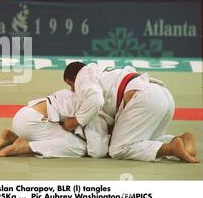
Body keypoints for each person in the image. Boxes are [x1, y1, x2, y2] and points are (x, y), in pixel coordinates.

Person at [61, 61, 199, 163]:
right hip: (162, 94)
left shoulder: (83, 76)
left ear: (74, 78)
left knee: (118, 149)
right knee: (143, 141)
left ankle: (171, 148)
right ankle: (180, 140)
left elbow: (96, 100)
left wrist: (74, 121)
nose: (73, 90)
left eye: (70, 85)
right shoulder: (101, 70)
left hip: (144, 99)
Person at [0, 89, 87, 158]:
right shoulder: (91, 103)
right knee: (79, 146)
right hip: (34, 123)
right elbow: (69, 125)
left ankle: (13, 135)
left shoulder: (68, 92)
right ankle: (26, 146)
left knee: (56, 127)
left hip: (23, 114)